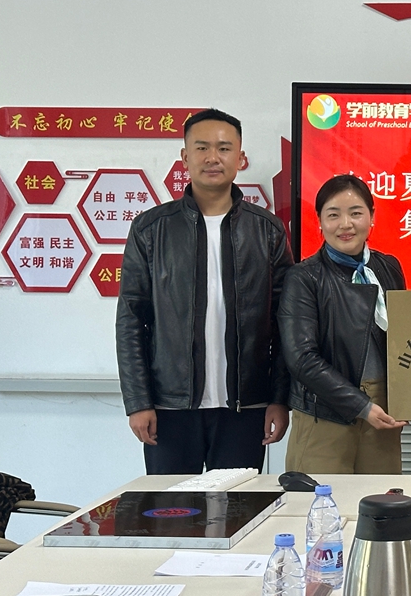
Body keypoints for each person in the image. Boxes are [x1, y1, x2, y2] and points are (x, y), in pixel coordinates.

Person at [116, 108, 293, 474]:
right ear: (185, 157)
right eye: (202, 148)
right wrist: (138, 401)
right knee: (170, 506)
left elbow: (284, 323)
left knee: (236, 507)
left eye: (224, 148)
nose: (213, 157)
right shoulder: (151, 229)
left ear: (240, 158)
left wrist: (278, 399)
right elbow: (131, 321)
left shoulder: (267, 230)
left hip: (245, 407)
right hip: (169, 407)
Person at [279, 175, 408, 474]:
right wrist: (360, 405)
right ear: (320, 222)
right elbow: (301, 358)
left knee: (380, 498)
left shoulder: (388, 267)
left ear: (372, 217)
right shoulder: (304, 277)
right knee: (320, 499)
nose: (345, 224)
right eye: (334, 215)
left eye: (356, 213)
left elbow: (405, 339)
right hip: (324, 412)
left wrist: (409, 396)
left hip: (382, 410)